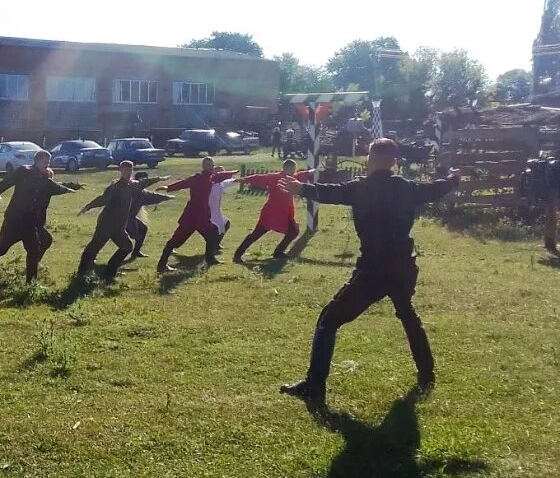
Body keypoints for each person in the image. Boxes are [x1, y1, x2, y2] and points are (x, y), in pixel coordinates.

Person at [277, 138, 460, 404]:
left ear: (369, 159)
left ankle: (314, 385)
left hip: (373, 270)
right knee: (407, 315)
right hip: (403, 266)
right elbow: (433, 190)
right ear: (394, 163)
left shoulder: (360, 188)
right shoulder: (405, 187)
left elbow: (330, 192)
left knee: (328, 321)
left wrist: (300, 188)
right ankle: (427, 373)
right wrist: (453, 180)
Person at [0, 150, 75, 294]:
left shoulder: (44, 179)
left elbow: (57, 187)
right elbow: (5, 183)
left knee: (33, 251)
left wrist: (71, 188)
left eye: (48, 163)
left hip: (29, 223)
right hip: (13, 221)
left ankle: (30, 287)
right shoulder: (23, 171)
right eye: (46, 162)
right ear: (37, 160)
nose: (47, 165)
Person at [77, 161, 173, 280]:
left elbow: (144, 182)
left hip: (118, 227)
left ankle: (110, 272)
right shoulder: (115, 187)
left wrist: (159, 178)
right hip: (106, 224)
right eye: (125, 170)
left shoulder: (133, 185)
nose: (128, 173)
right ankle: (81, 272)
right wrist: (88, 207)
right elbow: (102, 199)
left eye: (130, 170)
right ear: (120, 170)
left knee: (127, 247)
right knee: (94, 247)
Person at [156, 158, 238, 271]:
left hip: (203, 216)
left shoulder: (212, 178)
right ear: (203, 166)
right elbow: (184, 183)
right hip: (192, 214)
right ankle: (161, 265)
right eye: (207, 165)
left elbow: (221, 175)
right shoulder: (197, 178)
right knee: (176, 240)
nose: (210, 167)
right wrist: (169, 188)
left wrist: (232, 173)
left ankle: (210, 259)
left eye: (211, 165)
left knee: (213, 232)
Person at [233, 160, 312, 262]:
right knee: (257, 233)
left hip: (284, 213)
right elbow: (259, 178)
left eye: (294, 169)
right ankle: (237, 255)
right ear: (285, 168)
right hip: (271, 213)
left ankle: (278, 252)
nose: (293, 171)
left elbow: (302, 174)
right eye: (291, 168)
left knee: (293, 231)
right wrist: (245, 179)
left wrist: (312, 171)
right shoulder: (275, 177)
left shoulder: (294, 178)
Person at [126, 171, 171, 259]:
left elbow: (154, 196)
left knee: (143, 228)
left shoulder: (143, 193)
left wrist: (168, 197)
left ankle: (136, 252)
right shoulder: (131, 189)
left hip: (130, 218)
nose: (143, 181)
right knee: (123, 238)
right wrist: (160, 179)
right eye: (141, 179)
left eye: (145, 178)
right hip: (121, 218)